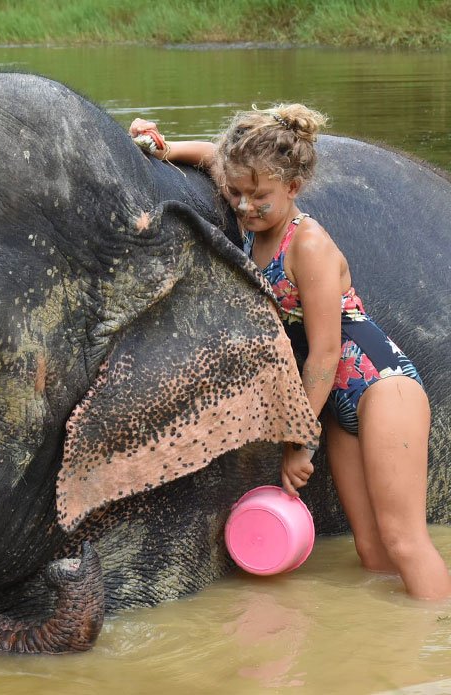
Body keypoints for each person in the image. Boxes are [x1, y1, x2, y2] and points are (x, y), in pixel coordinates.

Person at [129, 105, 451, 600]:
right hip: (339, 406)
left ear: (293, 188)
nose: (243, 205)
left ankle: (437, 643)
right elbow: (215, 156)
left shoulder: (309, 245)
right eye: (235, 193)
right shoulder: (253, 206)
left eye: (259, 197)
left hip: (381, 387)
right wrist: (164, 148)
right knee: (370, 548)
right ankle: (395, 649)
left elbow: (324, 354)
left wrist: (300, 441)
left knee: (404, 541)